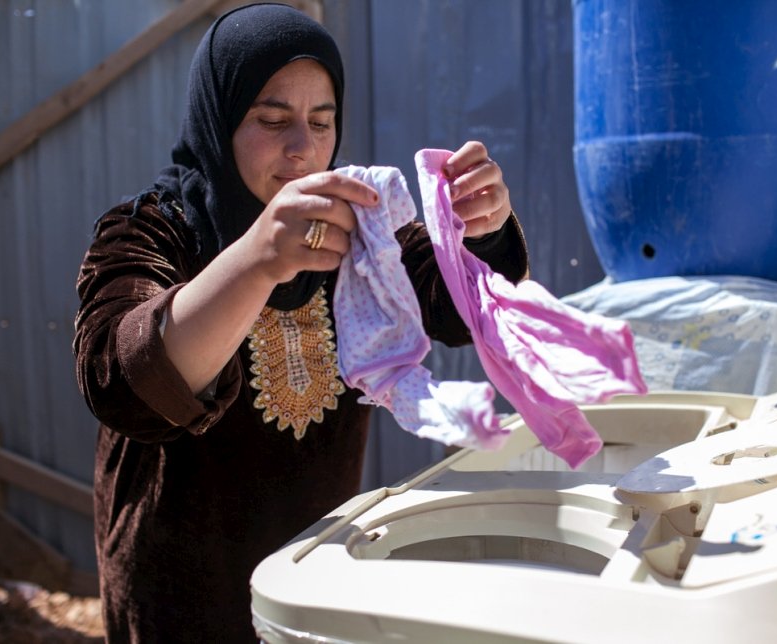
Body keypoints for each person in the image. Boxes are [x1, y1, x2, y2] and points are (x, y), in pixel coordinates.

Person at [73, 3, 529, 642]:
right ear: (220, 116)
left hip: (315, 587)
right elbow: (122, 379)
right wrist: (259, 259)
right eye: (271, 119)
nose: (303, 148)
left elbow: (465, 309)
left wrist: (481, 229)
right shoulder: (152, 231)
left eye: (322, 121)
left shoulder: (357, 232)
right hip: (180, 601)